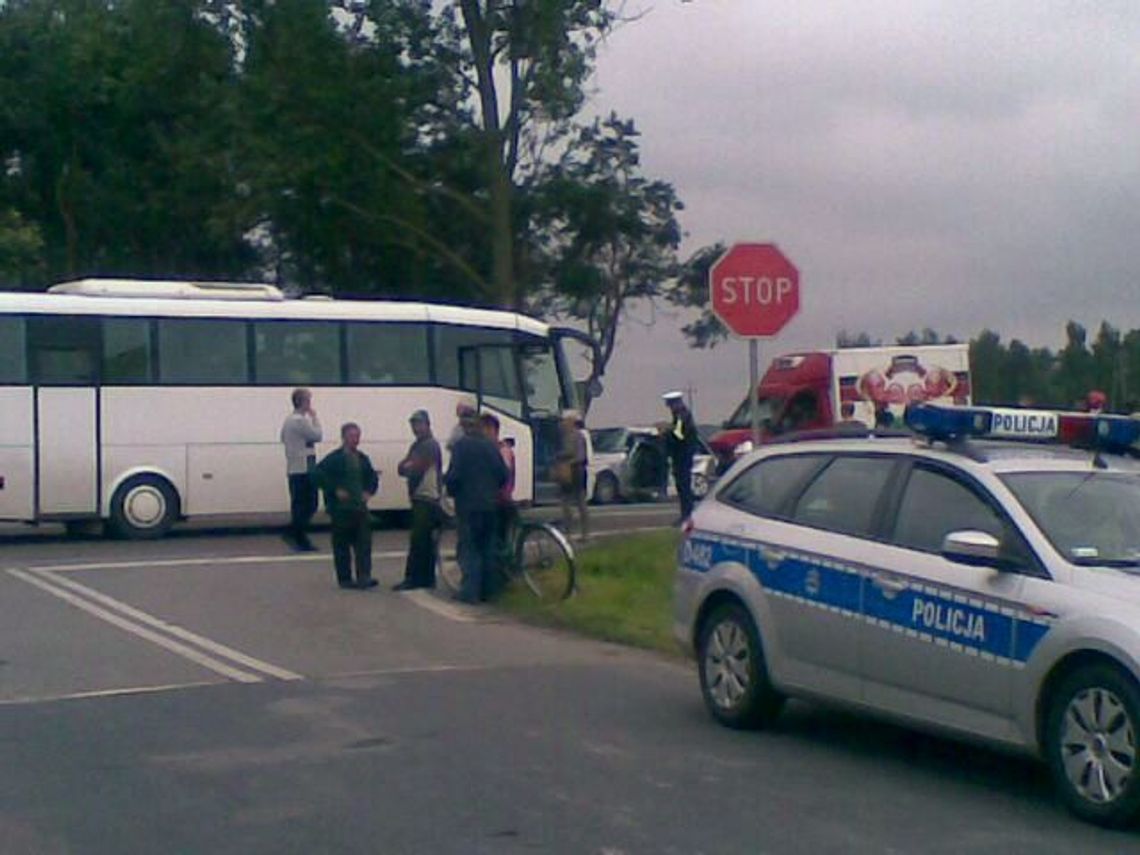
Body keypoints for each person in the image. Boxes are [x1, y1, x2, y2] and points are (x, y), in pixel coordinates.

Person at [444, 410, 508, 604]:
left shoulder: (461, 447)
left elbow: (454, 476)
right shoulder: (490, 446)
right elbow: (503, 474)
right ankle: (489, 591)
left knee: (470, 548)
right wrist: (492, 489)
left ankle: (470, 592)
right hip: (489, 505)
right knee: (488, 548)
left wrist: (451, 490)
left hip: (468, 505)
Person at [314, 422, 380, 590]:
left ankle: (364, 576)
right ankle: (345, 578)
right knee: (341, 545)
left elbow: (372, 477)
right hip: (340, 509)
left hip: (359, 508)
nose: (355, 440)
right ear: (343, 437)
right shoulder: (334, 459)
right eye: (352, 436)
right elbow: (316, 474)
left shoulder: (362, 458)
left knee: (363, 544)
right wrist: (334, 489)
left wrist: (369, 492)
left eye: (357, 436)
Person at [394, 409, 442, 591]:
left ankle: (413, 578)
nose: (415, 428)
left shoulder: (429, 445)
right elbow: (401, 467)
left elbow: (416, 469)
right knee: (425, 539)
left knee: (419, 539)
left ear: (427, 425)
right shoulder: (418, 445)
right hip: (420, 496)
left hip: (426, 496)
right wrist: (407, 466)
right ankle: (427, 578)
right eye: (413, 424)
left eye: (418, 424)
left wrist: (409, 466)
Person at [279, 388, 322, 551]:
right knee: (310, 504)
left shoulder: (289, 420)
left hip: (294, 467)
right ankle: (294, 533)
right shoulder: (300, 421)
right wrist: (315, 417)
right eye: (308, 401)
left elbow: (283, 438)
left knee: (299, 505)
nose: (310, 404)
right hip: (304, 468)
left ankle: (298, 536)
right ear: (303, 402)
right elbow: (317, 435)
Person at [480, 412, 516, 598]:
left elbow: (503, 475)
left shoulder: (501, 450)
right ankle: (502, 578)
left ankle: (500, 581)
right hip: (499, 500)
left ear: (492, 429)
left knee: (497, 542)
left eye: (484, 429)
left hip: (500, 502)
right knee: (499, 542)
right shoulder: (496, 449)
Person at [662, 391, 699, 524]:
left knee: (684, 486)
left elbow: (679, 434)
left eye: (671, 404)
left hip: (683, 455)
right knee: (683, 486)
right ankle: (686, 514)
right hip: (682, 455)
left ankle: (687, 515)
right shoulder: (681, 415)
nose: (670, 407)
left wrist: (667, 431)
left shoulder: (681, 416)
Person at [555, 409, 589, 539]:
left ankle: (584, 533)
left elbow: (580, 456)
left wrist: (565, 459)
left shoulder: (578, 436)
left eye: (564, 421)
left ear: (571, 421)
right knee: (566, 502)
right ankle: (568, 531)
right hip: (568, 469)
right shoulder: (564, 436)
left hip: (576, 470)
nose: (562, 423)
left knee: (579, 501)